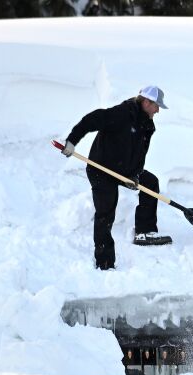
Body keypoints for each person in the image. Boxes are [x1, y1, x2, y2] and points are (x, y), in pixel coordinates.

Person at [61, 86, 173, 270]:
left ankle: (144, 232)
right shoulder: (121, 114)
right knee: (106, 212)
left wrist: (135, 175)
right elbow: (91, 120)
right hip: (102, 170)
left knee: (150, 182)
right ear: (146, 102)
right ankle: (104, 261)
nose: (158, 110)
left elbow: (139, 153)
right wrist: (72, 141)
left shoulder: (146, 124)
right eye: (156, 106)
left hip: (125, 171)